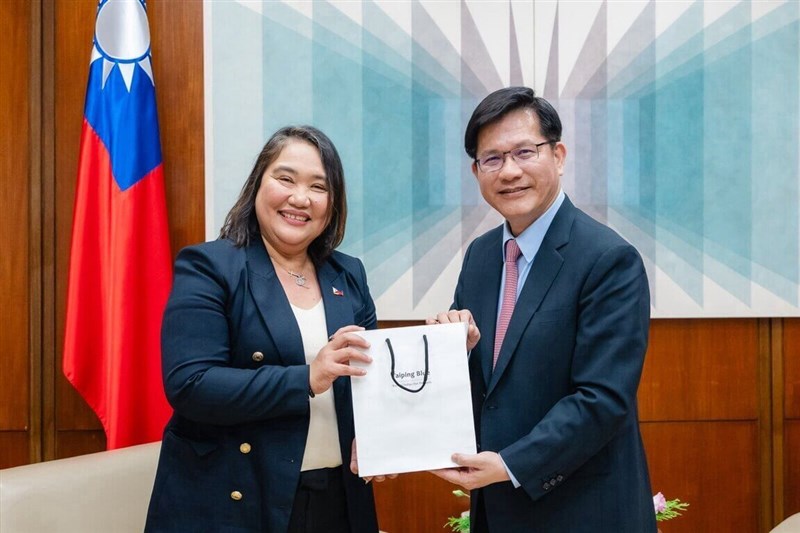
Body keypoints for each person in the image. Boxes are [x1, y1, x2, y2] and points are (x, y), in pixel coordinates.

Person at [428, 87, 657, 532]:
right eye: (492, 159)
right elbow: (485, 387)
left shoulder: (608, 258)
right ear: (476, 171)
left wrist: (511, 464)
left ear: (558, 155)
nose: (509, 171)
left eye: (524, 152)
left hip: (583, 510)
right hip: (499, 510)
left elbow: (602, 400)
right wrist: (454, 349)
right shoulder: (480, 257)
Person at [145, 126, 380, 533]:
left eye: (318, 186)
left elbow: (372, 382)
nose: (300, 198)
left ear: (333, 203)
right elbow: (190, 384)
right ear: (258, 184)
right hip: (234, 500)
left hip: (337, 499)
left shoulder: (349, 272)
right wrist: (307, 377)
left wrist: (383, 438)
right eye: (285, 178)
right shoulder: (209, 267)